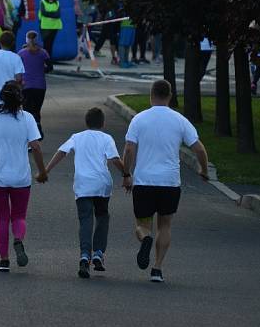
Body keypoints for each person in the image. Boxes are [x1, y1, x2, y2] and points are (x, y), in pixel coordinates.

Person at [123, 80, 209, 283]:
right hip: (170, 182)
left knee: (142, 225)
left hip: (144, 181)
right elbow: (199, 149)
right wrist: (203, 170)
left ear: (151, 95)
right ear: (169, 96)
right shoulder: (180, 120)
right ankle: (157, 269)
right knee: (165, 226)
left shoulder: (139, 119)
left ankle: (145, 238)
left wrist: (127, 174)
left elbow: (128, 149)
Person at [40, 107, 128, 279]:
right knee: (102, 216)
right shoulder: (106, 138)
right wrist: (127, 174)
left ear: (86, 123)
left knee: (85, 219)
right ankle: (98, 253)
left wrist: (46, 170)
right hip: (102, 184)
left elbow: (61, 152)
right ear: (103, 123)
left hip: (83, 185)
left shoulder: (77, 137)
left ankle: (85, 255)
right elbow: (115, 159)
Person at [0, 80, 45, 273]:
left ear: (2, 97)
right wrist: (42, 170)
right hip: (21, 178)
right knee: (19, 216)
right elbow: (36, 146)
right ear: (20, 97)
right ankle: (18, 239)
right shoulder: (28, 118)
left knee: (2, 218)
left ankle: (4, 260)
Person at [18, 30, 49, 139]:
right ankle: (37, 126)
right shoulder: (43, 53)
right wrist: (41, 68)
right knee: (36, 109)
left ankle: (30, 135)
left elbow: (18, 69)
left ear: (26, 40)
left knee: (27, 112)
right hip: (40, 85)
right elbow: (50, 68)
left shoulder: (21, 53)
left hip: (26, 85)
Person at [37, 0, 62, 65]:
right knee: (46, 45)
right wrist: (53, 14)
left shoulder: (57, 3)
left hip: (55, 26)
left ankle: (49, 62)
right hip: (45, 26)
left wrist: (49, 14)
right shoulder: (42, 2)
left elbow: (58, 14)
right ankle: (45, 61)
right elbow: (44, 12)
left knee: (50, 44)